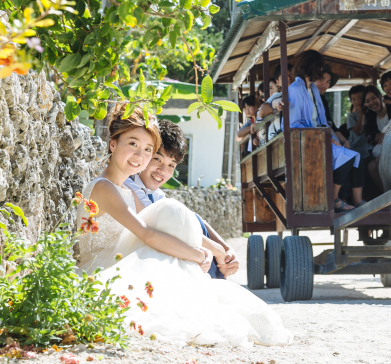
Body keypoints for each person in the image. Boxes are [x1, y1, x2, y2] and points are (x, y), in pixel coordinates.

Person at [77, 105, 292, 347]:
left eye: (148, 149)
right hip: (104, 269)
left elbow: (161, 226)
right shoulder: (104, 187)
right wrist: (197, 254)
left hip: (123, 259)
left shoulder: (126, 189)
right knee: (170, 217)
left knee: (172, 215)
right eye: (133, 144)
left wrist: (210, 249)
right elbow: (146, 234)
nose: (140, 155)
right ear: (113, 144)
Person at [124, 120, 238, 280]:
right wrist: (217, 250)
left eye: (171, 165)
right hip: (141, 260)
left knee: (189, 218)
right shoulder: (128, 186)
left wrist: (226, 249)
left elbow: (196, 220)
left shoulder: (154, 193)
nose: (163, 170)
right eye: (157, 159)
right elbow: (161, 229)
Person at [288, 50, 362, 212]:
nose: (321, 71)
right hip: (306, 142)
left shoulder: (313, 90)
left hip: (321, 137)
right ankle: (334, 198)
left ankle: (342, 198)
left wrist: (329, 136)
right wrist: (322, 137)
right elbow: (294, 124)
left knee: (353, 156)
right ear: (311, 67)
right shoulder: (295, 88)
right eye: (319, 68)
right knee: (346, 157)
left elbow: (321, 120)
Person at [362, 86, 391, 194]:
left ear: (381, 96)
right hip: (381, 150)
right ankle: (386, 195)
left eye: (373, 98)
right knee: (371, 166)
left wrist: (386, 135)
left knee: (378, 161)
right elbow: (371, 139)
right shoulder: (370, 117)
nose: (371, 103)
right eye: (367, 101)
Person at [315, 67, 351, 148]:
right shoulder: (305, 97)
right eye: (321, 79)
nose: (324, 84)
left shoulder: (323, 100)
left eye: (328, 82)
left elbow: (330, 123)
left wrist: (344, 141)